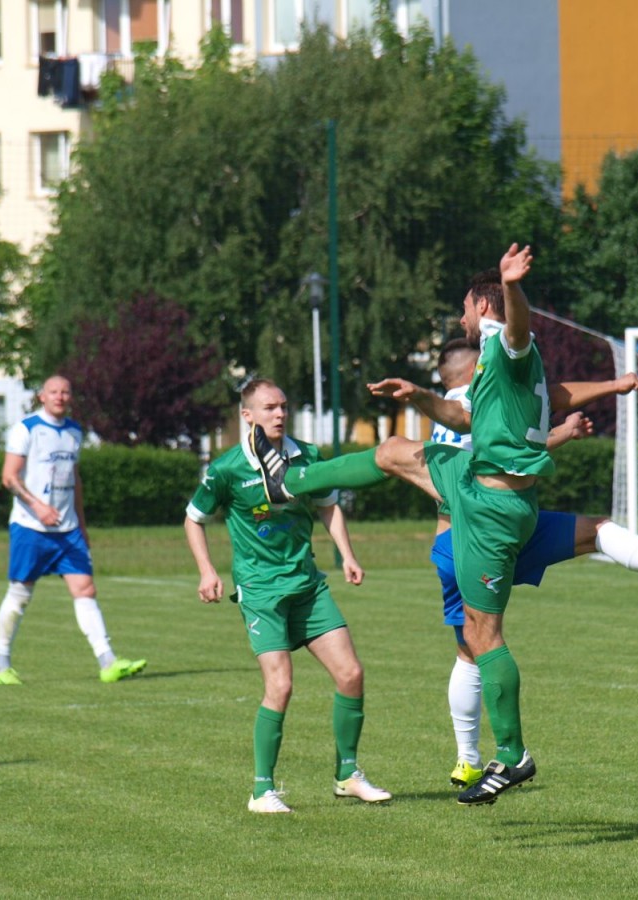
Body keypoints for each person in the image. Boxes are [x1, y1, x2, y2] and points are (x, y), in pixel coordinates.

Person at [251, 244, 576, 804]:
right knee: (393, 451)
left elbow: (517, 328)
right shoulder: (491, 358)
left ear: (481, 305)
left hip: (488, 505)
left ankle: (511, 753)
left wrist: (510, 285)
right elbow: (465, 418)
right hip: (477, 485)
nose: (461, 317)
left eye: (465, 307)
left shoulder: (505, 341)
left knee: (482, 635)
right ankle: (291, 481)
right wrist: (421, 395)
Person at [426, 339, 638, 788]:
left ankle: (466, 759)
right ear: (474, 367)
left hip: (454, 541)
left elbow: (517, 432)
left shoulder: (441, 415)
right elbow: (513, 453)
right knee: (591, 537)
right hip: (484, 534)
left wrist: (604, 392)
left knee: (470, 649)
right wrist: (571, 426)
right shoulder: (478, 399)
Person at [184, 378, 391, 814]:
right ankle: (262, 790)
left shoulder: (307, 457)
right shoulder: (227, 468)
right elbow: (194, 518)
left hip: (307, 584)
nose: (279, 414)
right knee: (280, 685)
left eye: (283, 406)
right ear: (247, 415)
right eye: (269, 407)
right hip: (261, 591)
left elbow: (328, 505)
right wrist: (207, 570)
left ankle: (347, 775)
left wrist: (347, 555)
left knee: (351, 674)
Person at [0, 375, 146, 685]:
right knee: (20, 595)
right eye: (53, 392)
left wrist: (82, 526)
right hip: (31, 528)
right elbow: (9, 477)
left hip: (68, 529)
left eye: (65, 392)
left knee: (85, 589)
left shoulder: (74, 432)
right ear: (42, 396)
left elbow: (75, 481)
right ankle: (1, 666)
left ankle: (108, 662)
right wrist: (38, 506)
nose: (60, 396)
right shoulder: (26, 429)